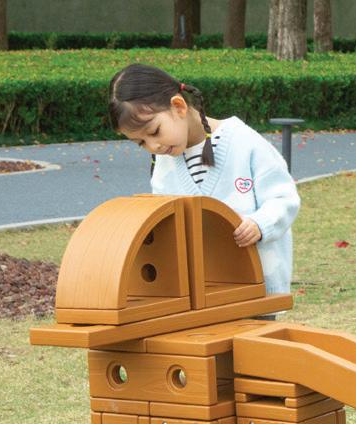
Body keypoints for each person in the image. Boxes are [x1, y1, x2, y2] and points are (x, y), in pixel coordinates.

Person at [107, 63, 299, 307]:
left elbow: (284, 198)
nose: (153, 146)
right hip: (201, 293)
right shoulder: (164, 163)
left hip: (258, 285)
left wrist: (260, 224)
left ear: (178, 106)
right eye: (141, 143)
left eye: (154, 132)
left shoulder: (245, 143)